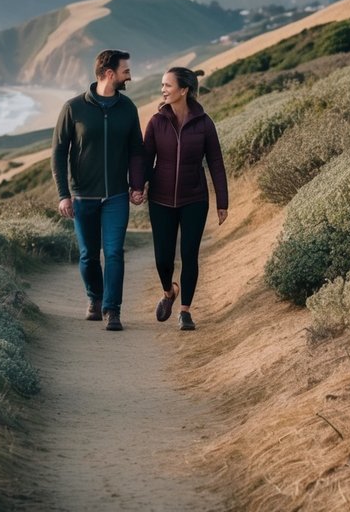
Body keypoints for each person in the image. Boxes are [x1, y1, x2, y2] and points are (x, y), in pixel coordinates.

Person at [51, 49, 146, 331]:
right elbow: (58, 153)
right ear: (109, 73)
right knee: (89, 256)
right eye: (125, 70)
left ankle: (112, 310)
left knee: (114, 252)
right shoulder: (74, 108)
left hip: (116, 195)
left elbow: (137, 151)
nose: (129, 74)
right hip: (83, 197)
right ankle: (94, 298)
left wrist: (137, 185)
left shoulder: (127, 108)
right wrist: (63, 194)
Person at [141, 67, 228, 331]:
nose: (163, 90)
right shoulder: (157, 122)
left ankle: (185, 311)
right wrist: (137, 186)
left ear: (184, 90)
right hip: (160, 199)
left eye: (168, 85)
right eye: (162, 85)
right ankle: (169, 292)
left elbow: (215, 162)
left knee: (189, 254)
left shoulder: (204, 123)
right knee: (162, 259)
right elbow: (145, 159)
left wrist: (222, 201)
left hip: (194, 199)